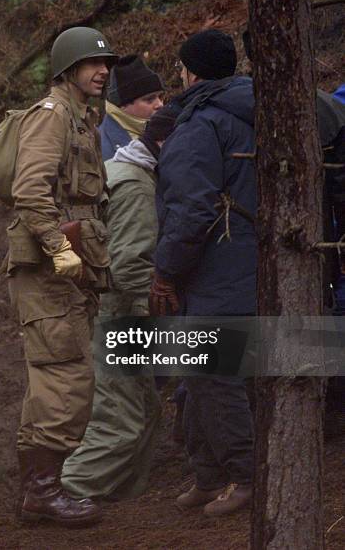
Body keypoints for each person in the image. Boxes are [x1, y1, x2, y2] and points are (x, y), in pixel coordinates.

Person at [6, 26, 117, 527]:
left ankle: (38, 490)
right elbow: (30, 191)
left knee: (55, 377)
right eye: (92, 64)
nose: (103, 71)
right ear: (67, 70)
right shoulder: (52, 118)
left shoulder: (81, 120)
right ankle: (44, 492)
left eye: (106, 64)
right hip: (54, 267)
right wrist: (58, 247)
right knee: (66, 377)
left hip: (71, 267)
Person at [150, 29, 256, 517]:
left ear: (189, 72)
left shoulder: (201, 125)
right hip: (250, 263)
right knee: (198, 374)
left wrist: (166, 271)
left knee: (215, 375)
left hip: (217, 268)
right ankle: (209, 475)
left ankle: (245, 478)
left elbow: (190, 211)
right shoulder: (258, 111)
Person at [62, 106, 178, 500]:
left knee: (144, 410)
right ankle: (63, 495)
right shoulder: (136, 185)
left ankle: (123, 500)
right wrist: (166, 300)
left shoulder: (121, 169)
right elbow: (128, 268)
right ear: (164, 143)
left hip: (113, 309)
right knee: (120, 422)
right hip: (122, 313)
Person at [99, 55, 164, 160]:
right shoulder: (100, 145)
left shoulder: (167, 133)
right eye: (149, 99)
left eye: (160, 97)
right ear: (123, 105)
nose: (160, 104)